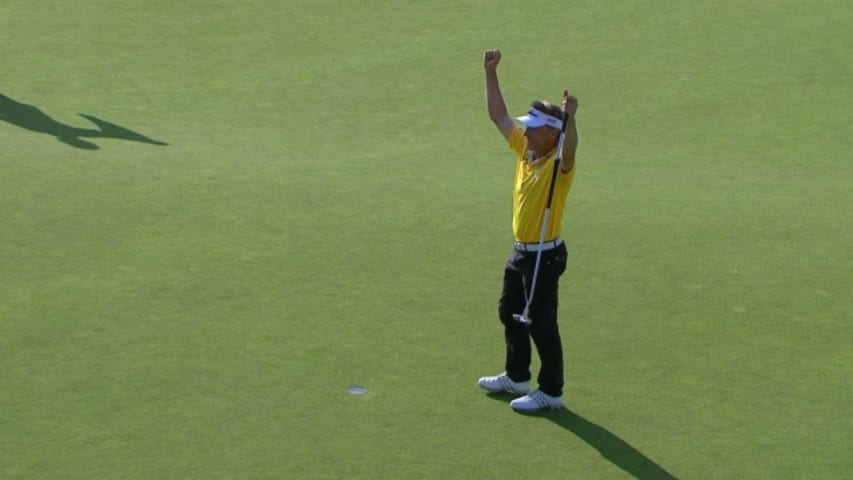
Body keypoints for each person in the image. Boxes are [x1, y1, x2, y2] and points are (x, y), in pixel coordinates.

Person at [477, 49, 580, 412]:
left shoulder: (557, 163)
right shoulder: (525, 149)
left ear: (551, 133)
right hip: (521, 251)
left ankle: (551, 391)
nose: (526, 130)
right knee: (509, 311)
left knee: (541, 324)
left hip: (545, 255)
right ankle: (517, 375)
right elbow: (499, 115)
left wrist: (570, 118)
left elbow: (570, 148)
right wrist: (491, 72)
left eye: (533, 127)